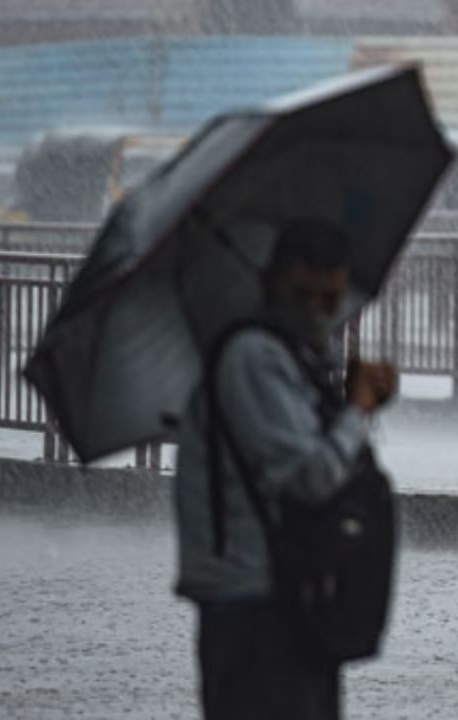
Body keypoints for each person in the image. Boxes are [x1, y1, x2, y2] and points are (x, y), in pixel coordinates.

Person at [173, 219, 398, 719]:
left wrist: (348, 404)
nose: (318, 314)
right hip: (254, 602)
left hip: (286, 595)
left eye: (331, 300)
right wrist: (358, 411)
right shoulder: (254, 355)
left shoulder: (288, 354)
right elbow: (309, 477)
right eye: (306, 295)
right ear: (273, 280)